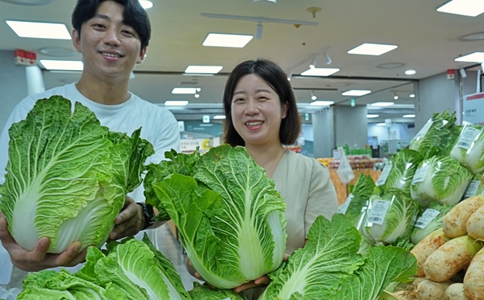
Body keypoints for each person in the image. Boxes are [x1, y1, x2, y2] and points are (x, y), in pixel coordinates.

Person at [0, 0, 180, 274]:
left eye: (127, 32)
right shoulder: (37, 112)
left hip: (122, 277)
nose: (112, 39)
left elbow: (164, 204)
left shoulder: (160, 121)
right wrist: (12, 247)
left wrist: (142, 217)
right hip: (37, 277)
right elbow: (6, 188)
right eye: (99, 26)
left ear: (142, 52)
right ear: (76, 38)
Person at [186, 59, 339, 299]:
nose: (250, 109)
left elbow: (325, 251)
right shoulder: (210, 173)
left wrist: (281, 270)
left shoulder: (311, 173)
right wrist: (197, 263)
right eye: (240, 100)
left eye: (262, 98)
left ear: (284, 108)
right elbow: (192, 251)